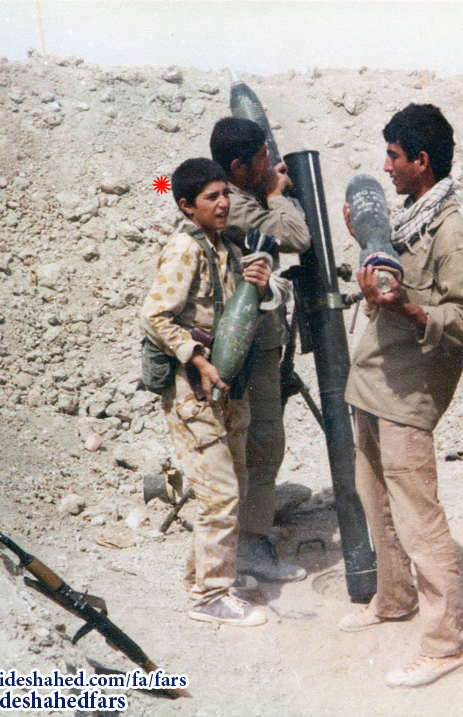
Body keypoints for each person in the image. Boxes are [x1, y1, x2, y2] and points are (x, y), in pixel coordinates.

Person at [339, 103, 463, 688]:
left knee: (419, 521)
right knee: (375, 500)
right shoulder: (409, 220)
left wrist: (404, 306)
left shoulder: (452, 234)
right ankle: (395, 597)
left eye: (395, 156)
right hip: (375, 383)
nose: (386, 167)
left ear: (422, 161)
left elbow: (461, 322)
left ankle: (447, 644)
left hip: (408, 396)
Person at [139, 157, 275, 627]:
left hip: (225, 389)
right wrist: (195, 358)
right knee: (220, 495)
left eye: (225, 194)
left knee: (232, 485)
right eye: (211, 197)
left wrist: (260, 288)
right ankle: (210, 597)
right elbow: (154, 316)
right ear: (186, 205)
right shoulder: (185, 248)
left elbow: (235, 311)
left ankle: (206, 576)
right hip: (193, 391)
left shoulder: (223, 245)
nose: (223, 204)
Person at [209, 117, 311, 583]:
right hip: (248, 346)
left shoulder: (230, 197)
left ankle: (247, 529)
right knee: (263, 441)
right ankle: (250, 545)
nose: (269, 164)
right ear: (238, 167)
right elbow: (297, 237)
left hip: (256, 342)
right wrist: (275, 193)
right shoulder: (236, 206)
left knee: (252, 440)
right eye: (261, 159)